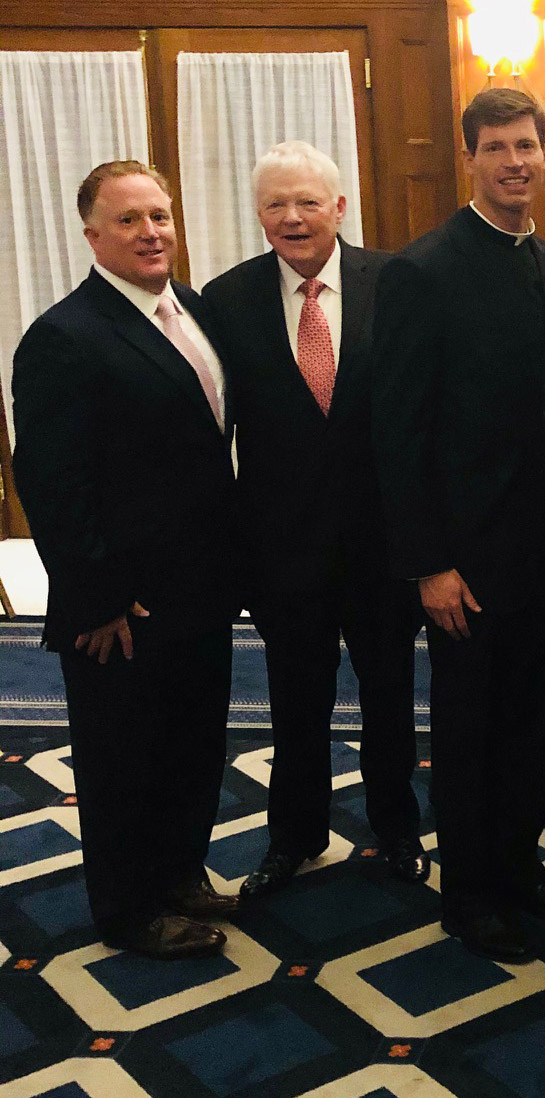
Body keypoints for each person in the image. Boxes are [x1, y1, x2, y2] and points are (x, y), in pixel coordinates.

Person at [370, 88, 545, 963]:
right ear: (470, 158)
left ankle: (519, 867)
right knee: (469, 729)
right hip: (465, 561)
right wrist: (428, 563)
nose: (514, 162)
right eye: (495, 147)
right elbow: (399, 430)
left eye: (526, 146)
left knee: (537, 724)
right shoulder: (423, 270)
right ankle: (469, 892)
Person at [11, 161, 239, 958]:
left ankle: (180, 874)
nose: (151, 233)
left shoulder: (196, 312)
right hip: (123, 604)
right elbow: (48, 480)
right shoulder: (63, 337)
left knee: (193, 743)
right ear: (93, 235)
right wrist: (97, 596)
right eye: (130, 220)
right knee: (123, 761)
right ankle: (128, 910)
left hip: (201, 589)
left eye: (160, 216)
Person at [201, 141, 426, 900]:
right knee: (297, 704)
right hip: (282, 553)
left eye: (307, 202)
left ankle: (397, 829)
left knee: (391, 697)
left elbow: (426, 418)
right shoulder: (224, 299)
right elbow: (214, 435)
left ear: (339, 207)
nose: (292, 218)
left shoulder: (398, 284)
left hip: (386, 546)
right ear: (259, 214)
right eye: (275, 204)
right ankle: (292, 839)